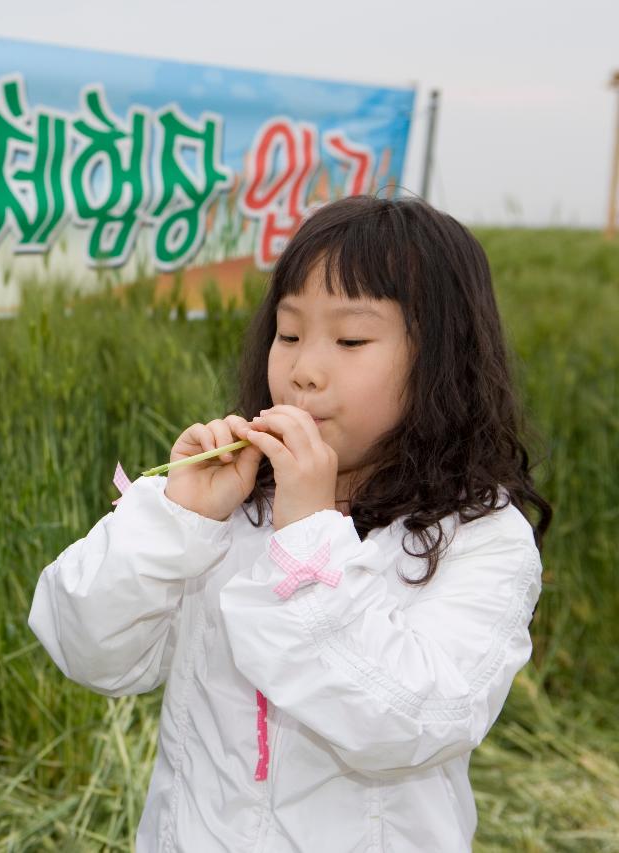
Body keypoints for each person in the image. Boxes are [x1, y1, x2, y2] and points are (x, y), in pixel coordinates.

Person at [28, 195, 551, 852]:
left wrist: (305, 541)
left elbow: (413, 719)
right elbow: (89, 649)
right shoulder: (235, 507)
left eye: (352, 339)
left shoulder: (480, 540)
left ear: (442, 359)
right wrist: (175, 519)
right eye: (290, 332)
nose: (303, 369)